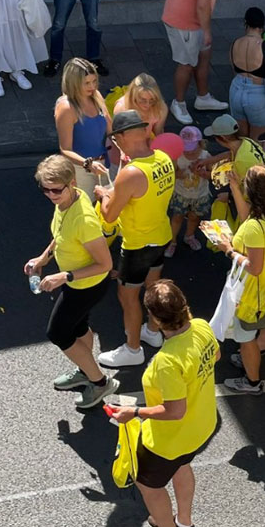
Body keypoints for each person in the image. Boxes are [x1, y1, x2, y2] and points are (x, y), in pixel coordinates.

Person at [112, 280, 218, 527]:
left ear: (155, 320)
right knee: (182, 466)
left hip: (169, 439)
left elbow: (174, 411)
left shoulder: (167, 361)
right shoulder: (202, 328)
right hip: (201, 426)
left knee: (149, 486)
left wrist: (134, 412)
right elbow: (215, 356)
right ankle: (184, 524)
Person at [29, 155, 118, 408]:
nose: (50, 195)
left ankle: (100, 383)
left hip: (86, 286)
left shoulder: (84, 220)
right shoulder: (67, 201)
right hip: (78, 282)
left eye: (56, 190)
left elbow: (105, 264)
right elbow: (60, 235)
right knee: (78, 327)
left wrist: (64, 276)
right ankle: (85, 370)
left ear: (72, 183)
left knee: (57, 332)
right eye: (45, 189)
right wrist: (43, 258)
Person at [94, 111, 177, 367]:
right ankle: (152, 331)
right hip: (161, 235)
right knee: (153, 288)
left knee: (128, 297)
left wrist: (103, 194)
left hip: (138, 244)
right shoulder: (163, 158)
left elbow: (109, 215)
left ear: (119, 138)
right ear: (144, 131)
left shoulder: (130, 173)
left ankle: (132, 350)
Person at [220, 165, 265, 396]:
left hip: (250, 292)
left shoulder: (253, 229)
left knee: (246, 339)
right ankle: (250, 358)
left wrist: (229, 250)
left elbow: (254, 268)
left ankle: (252, 382)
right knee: (249, 335)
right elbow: (247, 217)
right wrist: (234, 187)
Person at [162, 0, 236, 125]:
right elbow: (203, 4)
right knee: (186, 64)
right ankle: (178, 103)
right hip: (186, 23)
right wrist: (207, 31)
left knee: (204, 56)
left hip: (177, 14)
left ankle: (203, 97)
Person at [54, 59, 113, 200]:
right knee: (85, 207)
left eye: (94, 81)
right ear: (73, 82)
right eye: (86, 83)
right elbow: (65, 149)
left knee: (108, 205)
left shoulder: (96, 96)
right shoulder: (66, 108)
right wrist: (88, 164)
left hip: (104, 163)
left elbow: (111, 131)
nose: (92, 86)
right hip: (81, 170)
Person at [228, 7, 265, 139]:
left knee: (241, 139)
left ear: (245, 23)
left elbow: (234, 69)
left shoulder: (235, 43)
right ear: (262, 25)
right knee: (258, 141)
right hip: (259, 94)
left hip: (236, 91)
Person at [166, 127, 211, 254]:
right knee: (177, 217)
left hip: (200, 195)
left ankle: (189, 236)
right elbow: (171, 173)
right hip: (181, 194)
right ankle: (172, 241)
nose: (189, 152)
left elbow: (212, 174)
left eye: (192, 148)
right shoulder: (177, 156)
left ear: (200, 143)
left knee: (194, 217)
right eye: (186, 148)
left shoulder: (205, 155)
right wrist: (179, 174)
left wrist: (202, 173)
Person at [111, 72, 171, 138]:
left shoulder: (161, 108)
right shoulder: (121, 108)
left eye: (152, 100)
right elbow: (118, 136)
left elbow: (158, 134)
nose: (147, 104)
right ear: (134, 97)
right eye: (143, 100)